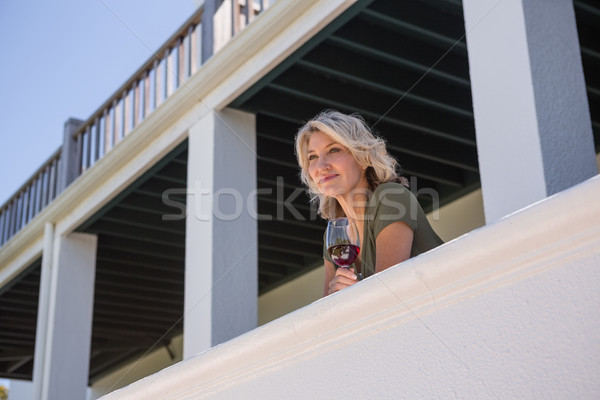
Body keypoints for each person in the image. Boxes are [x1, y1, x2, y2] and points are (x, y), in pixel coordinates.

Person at [295, 110, 443, 296]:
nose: (321, 166)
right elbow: (327, 312)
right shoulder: (334, 234)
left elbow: (385, 294)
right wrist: (336, 295)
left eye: (333, 150)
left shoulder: (391, 198)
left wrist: (350, 295)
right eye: (312, 157)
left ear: (362, 157)